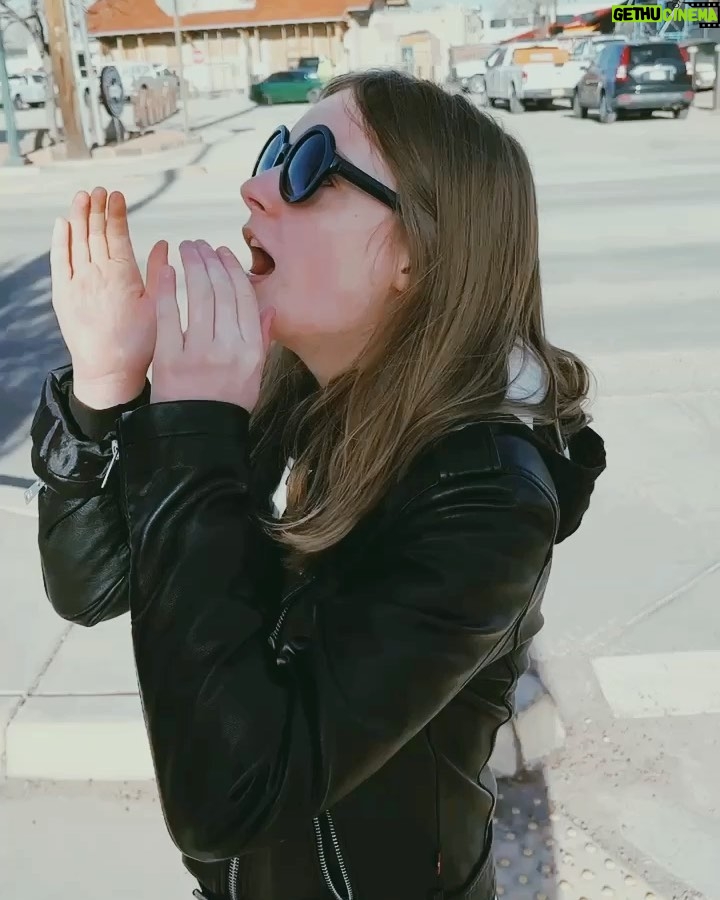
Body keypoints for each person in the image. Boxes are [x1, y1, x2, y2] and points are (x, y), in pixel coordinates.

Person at [30, 69, 606, 900]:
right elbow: (93, 584)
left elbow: (228, 798)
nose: (257, 185)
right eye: (273, 151)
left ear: (415, 252)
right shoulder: (292, 385)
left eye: (308, 168)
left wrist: (195, 430)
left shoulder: (489, 498)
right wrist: (106, 381)